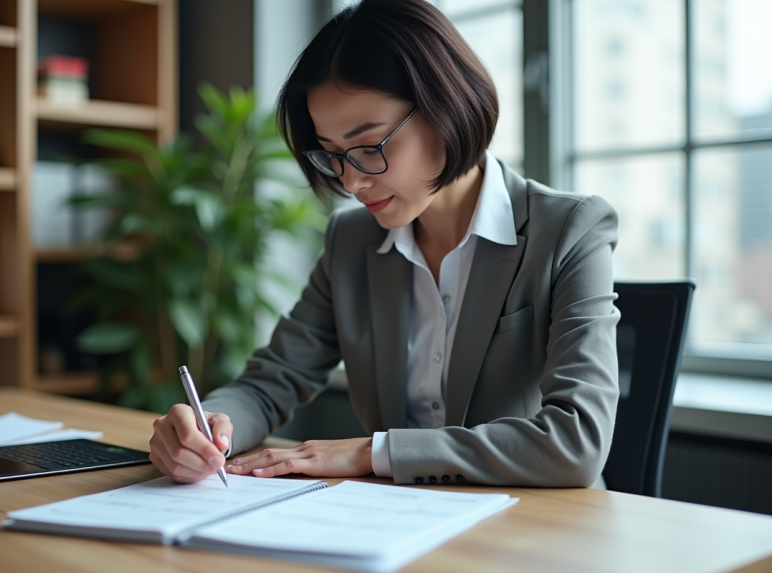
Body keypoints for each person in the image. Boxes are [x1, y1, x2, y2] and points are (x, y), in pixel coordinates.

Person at [149, 0, 620, 488]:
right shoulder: (350, 240)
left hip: (529, 531)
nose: (351, 183)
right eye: (332, 155)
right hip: (392, 524)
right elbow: (273, 381)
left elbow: (577, 442)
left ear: (446, 107)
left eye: (370, 147)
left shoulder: (569, 230)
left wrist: (374, 451)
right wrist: (210, 428)